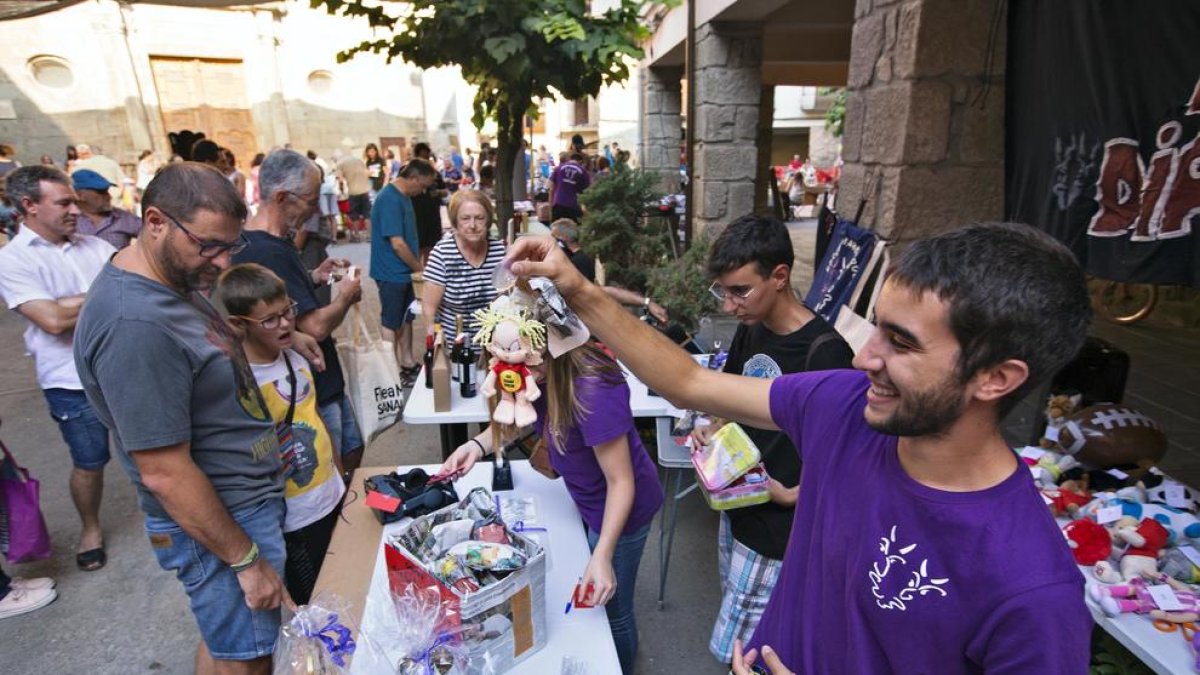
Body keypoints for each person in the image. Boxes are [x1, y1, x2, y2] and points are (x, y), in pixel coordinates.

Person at [504, 221, 1095, 674]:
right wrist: (578, 289)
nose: (865, 357)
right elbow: (689, 381)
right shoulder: (844, 407)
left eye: (902, 343)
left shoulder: (1032, 591)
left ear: (996, 378)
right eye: (876, 328)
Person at [75, 162, 301, 674]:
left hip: (239, 508)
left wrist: (285, 337)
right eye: (209, 246)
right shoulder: (135, 325)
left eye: (231, 245)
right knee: (248, 659)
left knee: (229, 644)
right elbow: (164, 472)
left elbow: (204, 352)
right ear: (155, 221)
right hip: (222, 520)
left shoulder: (170, 277)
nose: (222, 261)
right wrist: (245, 560)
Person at [441, 341, 664, 675]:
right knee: (589, 599)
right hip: (588, 500)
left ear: (549, 347)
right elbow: (520, 418)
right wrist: (477, 444)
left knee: (613, 615)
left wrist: (602, 554)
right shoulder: (538, 372)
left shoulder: (592, 389)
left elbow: (621, 482)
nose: (515, 374)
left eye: (522, 362)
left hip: (622, 511)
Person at [691, 215, 854, 665]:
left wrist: (793, 494)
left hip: (778, 529)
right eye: (723, 291)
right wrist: (714, 424)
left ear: (779, 276)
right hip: (737, 507)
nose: (729, 305)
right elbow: (730, 393)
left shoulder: (827, 353)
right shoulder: (752, 325)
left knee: (740, 651)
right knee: (740, 630)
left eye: (740, 291)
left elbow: (847, 460)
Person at [0, 165, 115, 572]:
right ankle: (91, 528)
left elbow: (135, 291)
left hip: (119, 371)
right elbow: (51, 320)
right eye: (64, 202)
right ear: (29, 205)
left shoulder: (95, 247)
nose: (76, 210)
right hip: (69, 382)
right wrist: (103, 293)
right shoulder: (12, 260)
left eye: (75, 201)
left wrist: (68, 302)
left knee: (154, 449)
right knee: (90, 461)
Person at [216, 263, 345, 605]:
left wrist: (340, 473)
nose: (286, 323)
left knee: (344, 577)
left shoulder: (297, 358)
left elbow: (315, 417)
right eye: (270, 320)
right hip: (292, 516)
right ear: (239, 324)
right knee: (314, 601)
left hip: (329, 493)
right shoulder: (241, 381)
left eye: (288, 310)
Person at [234, 149, 366, 477]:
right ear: (281, 197)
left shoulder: (258, 243)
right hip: (311, 387)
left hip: (313, 382)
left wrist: (313, 276)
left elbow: (275, 292)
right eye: (310, 200)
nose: (315, 209)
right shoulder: (270, 251)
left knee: (350, 452)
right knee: (334, 467)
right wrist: (346, 297)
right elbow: (315, 328)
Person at [371, 157, 437, 381]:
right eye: (423, 185)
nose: (423, 191)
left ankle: (407, 361)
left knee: (406, 318)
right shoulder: (389, 199)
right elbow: (397, 243)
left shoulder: (405, 197)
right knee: (391, 321)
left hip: (405, 271)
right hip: (391, 272)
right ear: (414, 178)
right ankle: (391, 371)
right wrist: (420, 268)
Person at [421, 189, 505, 346]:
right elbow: (428, 309)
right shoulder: (443, 254)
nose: (472, 225)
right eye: (465, 219)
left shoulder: (500, 251)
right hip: (457, 349)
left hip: (498, 348)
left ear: (488, 221)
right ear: (455, 222)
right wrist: (434, 345)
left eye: (479, 218)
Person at [73, 169, 141, 250]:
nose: (109, 197)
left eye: (107, 192)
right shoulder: (69, 220)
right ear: (79, 195)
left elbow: (152, 234)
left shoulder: (123, 218)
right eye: (101, 192)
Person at [411, 142, 449, 262]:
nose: (425, 160)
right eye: (422, 157)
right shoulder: (409, 174)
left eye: (427, 157)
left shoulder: (435, 174)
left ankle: (428, 270)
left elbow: (445, 191)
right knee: (418, 247)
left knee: (432, 247)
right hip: (416, 216)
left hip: (433, 215)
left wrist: (438, 192)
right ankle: (417, 270)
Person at [336, 150, 371, 240]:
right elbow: (367, 173)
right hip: (364, 190)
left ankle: (356, 236)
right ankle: (369, 235)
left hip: (353, 192)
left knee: (354, 215)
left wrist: (341, 190)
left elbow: (340, 179)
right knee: (367, 214)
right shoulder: (358, 160)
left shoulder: (340, 164)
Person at [550, 152, 591, 222]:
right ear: (581, 161)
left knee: (556, 227)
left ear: (570, 159)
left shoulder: (559, 168)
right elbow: (587, 193)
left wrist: (551, 205)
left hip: (558, 204)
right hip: (573, 206)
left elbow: (552, 189)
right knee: (573, 228)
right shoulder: (583, 172)